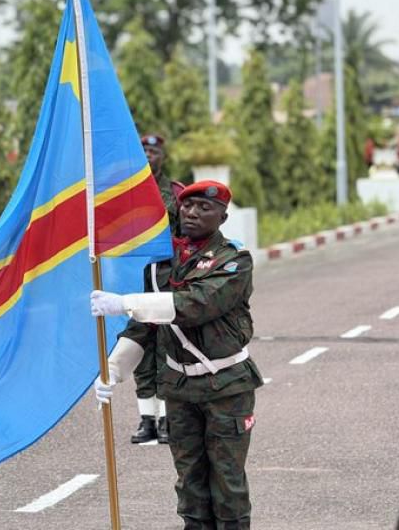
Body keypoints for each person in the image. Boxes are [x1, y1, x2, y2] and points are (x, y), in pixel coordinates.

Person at [91, 180, 264, 530]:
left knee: (227, 484)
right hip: (180, 389)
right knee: (190, 486)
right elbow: (144, 328)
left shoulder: (234, 261)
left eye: (204, 208)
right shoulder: (161, 266)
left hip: (226, 388)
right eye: (188, 206)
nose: (193, 212)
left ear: (222, 216)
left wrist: (127, 303)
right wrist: (113, 369)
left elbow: (196, 304)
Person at [129, 133, 184, 445]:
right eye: (144, 150)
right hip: (134, 278)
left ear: (163, 156)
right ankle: (146, 418)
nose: (149, 154)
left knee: (165, 346)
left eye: (154, 150)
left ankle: (166, 419)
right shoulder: (122, 191)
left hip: (165, 278)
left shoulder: (174, 192)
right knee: (141, 348)